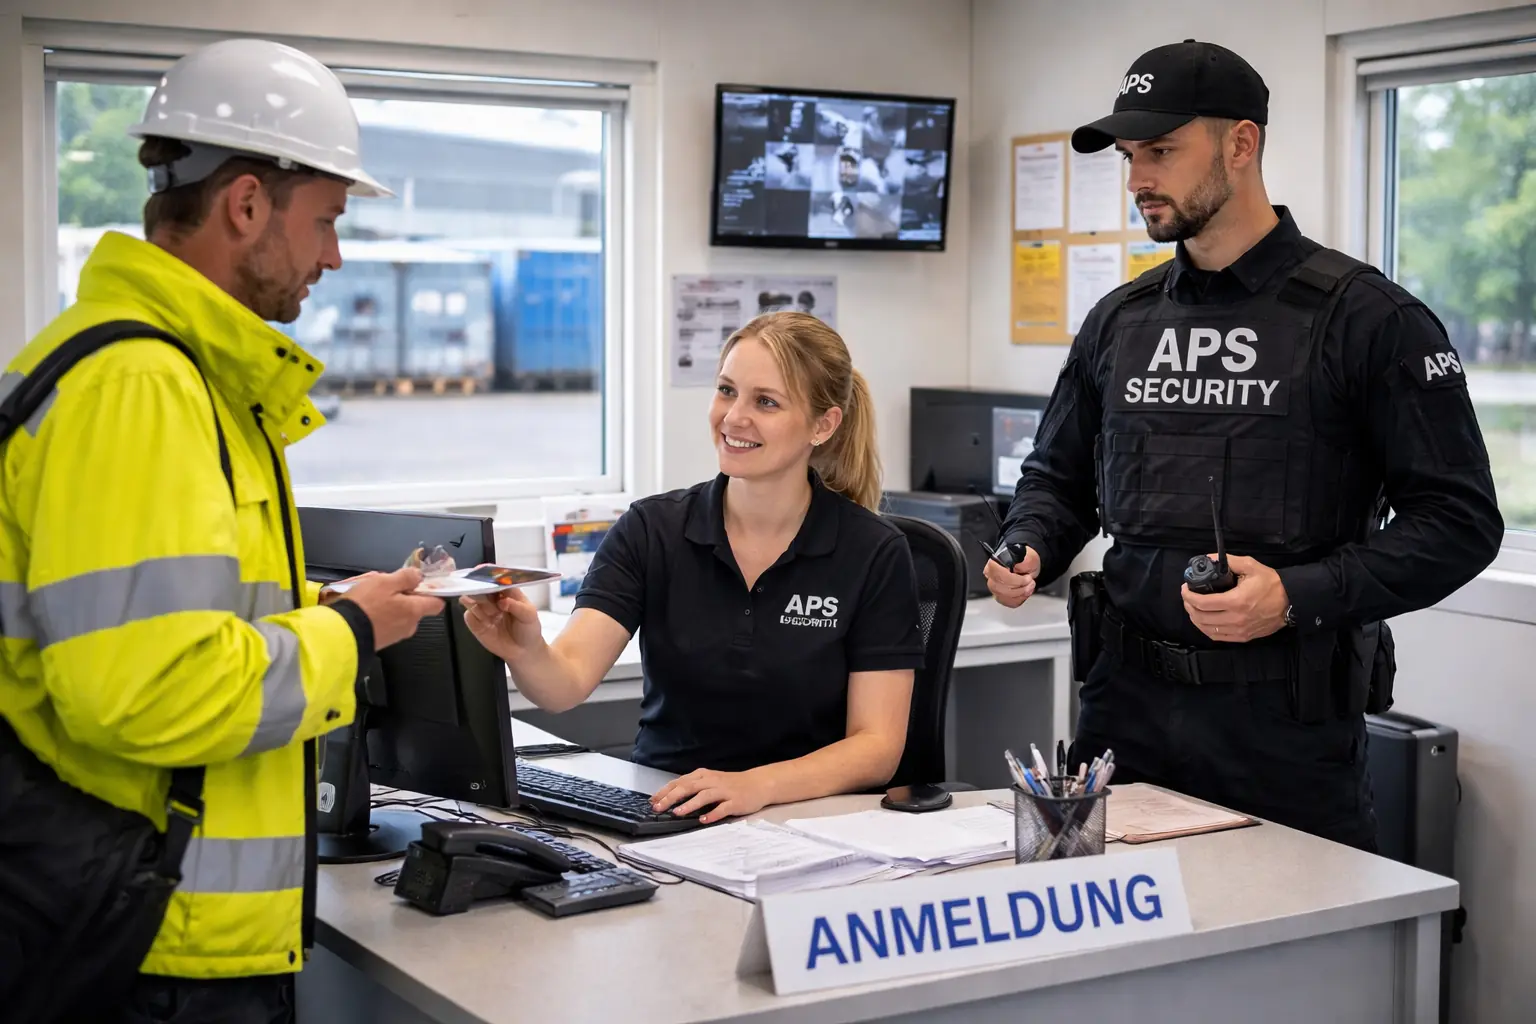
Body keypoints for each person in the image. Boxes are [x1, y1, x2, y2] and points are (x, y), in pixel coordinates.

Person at [0, 38, 444, 1022]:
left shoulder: (164, 375)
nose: (334, 255)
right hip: (155, 948)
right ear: (246, 204)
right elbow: (149, 688)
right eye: (326, 220)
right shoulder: (140, 387)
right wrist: (349, 632)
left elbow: (161, 629)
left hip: (152, 929)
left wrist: (330, 611)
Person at [984, 39, 1503, 851]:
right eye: (1129, 157)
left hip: (1282, 738)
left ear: (1241, 143)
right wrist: (1027, 543)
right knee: (1100, 971)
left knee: (1291, 971)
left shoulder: (1368, 320)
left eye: (1160, 151)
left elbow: (1460, 522)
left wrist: (1298, 593)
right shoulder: (1120, 323)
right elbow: (1057, 476)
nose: (1138, 179)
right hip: (1120, 726)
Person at [463, 312, 925, 822]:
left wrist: (758, 786)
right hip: (666, 810)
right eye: (727, 390)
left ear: (824, 424)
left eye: (765, 402)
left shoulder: (873, 550)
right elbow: (564, 683)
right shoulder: (652, 529)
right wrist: (526, 650)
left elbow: (877, 746)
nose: (733, 418)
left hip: (807, 818)